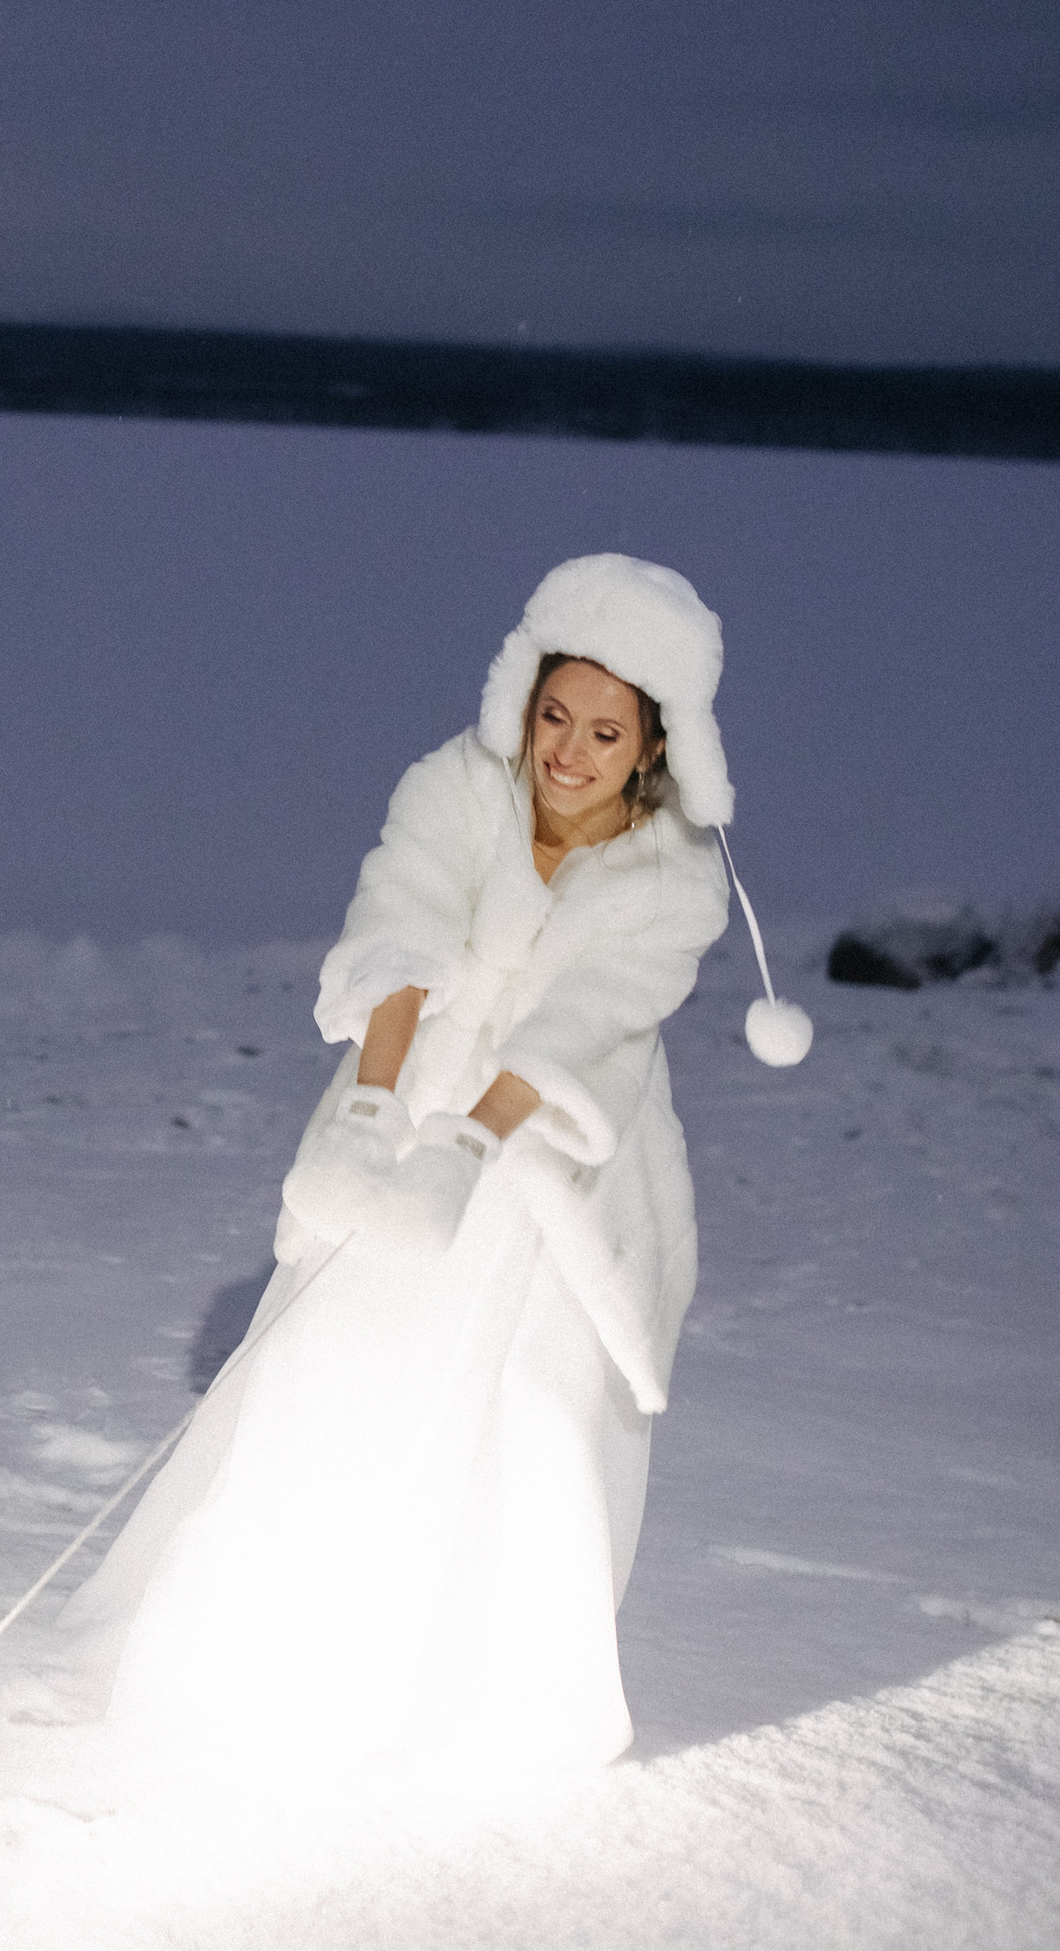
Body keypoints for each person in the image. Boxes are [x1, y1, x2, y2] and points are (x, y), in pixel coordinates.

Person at [74, 554, 759, 1782]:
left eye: (605, 732)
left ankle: (486, 1699)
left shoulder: (674, 880)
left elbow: (584, 1029)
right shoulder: (455, 785)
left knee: (529, 1410)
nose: (569, 752)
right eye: (555, 716)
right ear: (524, 698)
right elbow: (400, 930)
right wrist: (378, 1114)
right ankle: (286, 1665)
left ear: (651, 747)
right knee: (335, 1372)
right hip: (420, 1095)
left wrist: (464, 1152)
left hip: (553, 1142)